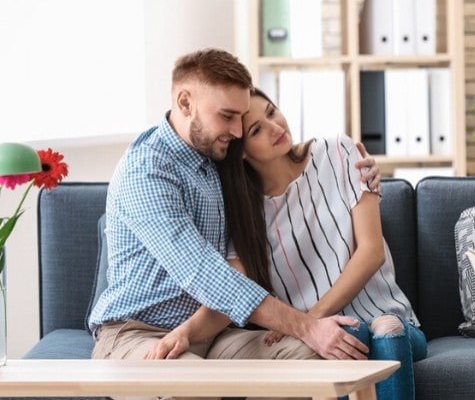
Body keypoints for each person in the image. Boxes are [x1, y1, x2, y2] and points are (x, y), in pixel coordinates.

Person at [88, 49, 384, 384]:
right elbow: (206, 274)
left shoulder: (218, 157)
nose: (238, 130)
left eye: (242, 118)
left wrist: (361, 173)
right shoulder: (147, 172)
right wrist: (308, 326)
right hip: (140, 333)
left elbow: (284, 171)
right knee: (191, 382)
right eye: (227, 116)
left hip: (211, 332)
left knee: (314, 356)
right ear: (185, 103)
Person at [147, 87, 427, 399]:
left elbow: (371, 252)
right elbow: (232, 288)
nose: (276, 127)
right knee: (344, 338)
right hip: (331, 333)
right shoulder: (243, 216)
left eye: (272, 112)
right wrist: (186, 331)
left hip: (390, 319)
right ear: (241, 151)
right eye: (257, 129)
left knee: (386, 329)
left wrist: (309, 320)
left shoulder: (339, 152)